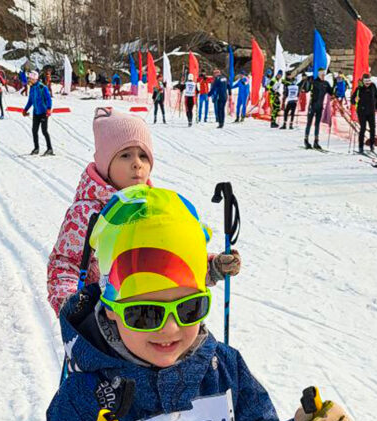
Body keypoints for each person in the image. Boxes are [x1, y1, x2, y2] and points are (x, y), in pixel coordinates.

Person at [35, 184, 362, 421]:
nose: (170, 328)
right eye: (144, 314)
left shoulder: (223, 368)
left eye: (189, 307)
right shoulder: (82, 396)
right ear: (109, 311)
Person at [47, 108, 241, 316]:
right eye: (125, 155)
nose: (137, 164)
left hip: (151, 318)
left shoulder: (155, 208)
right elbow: (64, 266)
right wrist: (71, 303)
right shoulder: (86, 213)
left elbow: (170, 261)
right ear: (105, 164)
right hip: (101, 319)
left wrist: (212, 267)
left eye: (143, 156)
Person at [23, 71, 53, 156]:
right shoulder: (32, 88)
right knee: (34, 131)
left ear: (34, 79)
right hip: (36, 112)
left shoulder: (42, 87)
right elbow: (30, 101)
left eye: (30, 79)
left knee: (44, 131)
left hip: (43, 112)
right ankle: (36, 148)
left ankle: (49, 148)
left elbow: (49, 99)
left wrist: (48, 109)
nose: (29, 80)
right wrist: (25, 110)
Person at [304, 68, 333, 149]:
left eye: (324, 74)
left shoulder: (326, 83)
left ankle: (316, 141)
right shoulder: (314, 82)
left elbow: (331, 92)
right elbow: (306, 89)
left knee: (317, 124)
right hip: (312, 105)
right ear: (319, 74)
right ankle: (306, 140)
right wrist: (307, 81)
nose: (323, 76)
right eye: (322, 74)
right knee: (309, 123)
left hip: (320, 107)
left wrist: (336, 83)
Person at [351, 73, 377, 154]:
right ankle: (360, 146)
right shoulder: (359, 88)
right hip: (362, 111)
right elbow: (352, 100)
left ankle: (372, 145)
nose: (368, 83)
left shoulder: (373, 86)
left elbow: (376, 97)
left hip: (371, 111)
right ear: (363, 81)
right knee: (362, 129)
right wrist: (355, 100)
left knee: (372, 128)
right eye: (366, 81)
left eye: (369, 81)